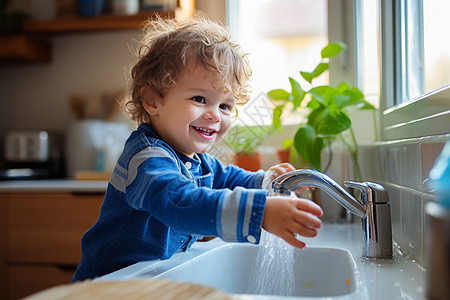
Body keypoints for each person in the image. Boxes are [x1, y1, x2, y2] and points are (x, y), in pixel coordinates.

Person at [73, 13, 323, 282]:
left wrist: (267, 183)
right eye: (200, 98)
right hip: (108, 286)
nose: (215, 115)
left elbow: (227, 178)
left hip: (146, 281)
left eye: (225, 105)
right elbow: (180, 202)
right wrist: (259, 213)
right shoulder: (146, 158)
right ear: (152, 100)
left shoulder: (196, 159)